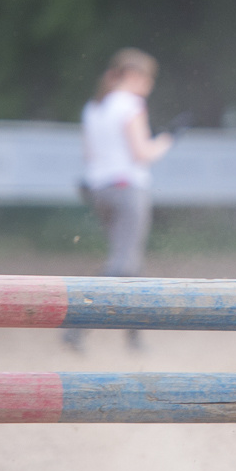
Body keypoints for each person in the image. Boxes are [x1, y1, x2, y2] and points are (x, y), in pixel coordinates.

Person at [67, 48, 176, 350]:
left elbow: (89, 155)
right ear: (132, 76)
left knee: (129, 261)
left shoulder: (95, 107)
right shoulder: (130, 105)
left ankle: (134, 336)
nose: (148, 85)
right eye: (146, 78)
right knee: (123, 263)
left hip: (100, 189)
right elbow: (142, 154)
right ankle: (76, 324)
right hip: (128, 189)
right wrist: (167, 140)